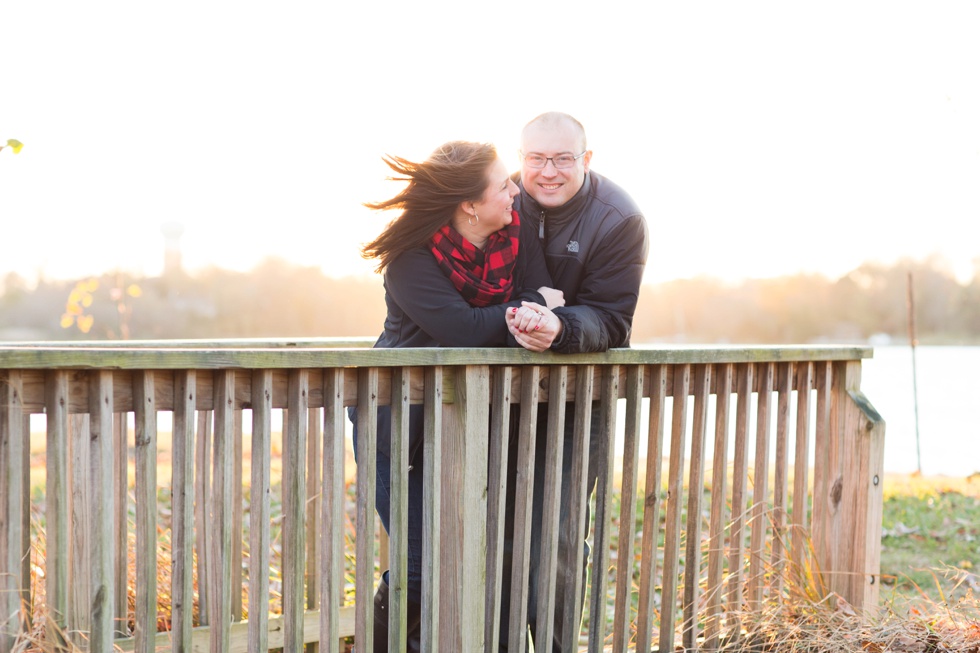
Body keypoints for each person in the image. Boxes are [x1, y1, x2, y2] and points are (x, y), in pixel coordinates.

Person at [353, 140, 564, 652]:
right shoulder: (410, 259)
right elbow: (459, 328)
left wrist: (526, 308)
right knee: (421, 567)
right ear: (470, 204)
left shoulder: (517, 235)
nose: (516, 190)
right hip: (401, 428)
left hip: (473, 424)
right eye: (503, 185)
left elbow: (544, 295)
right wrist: (520, 315)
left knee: (474, 561)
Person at [500, 112, 650, 651]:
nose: (549, 171)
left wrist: (560, 327)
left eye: (563, 158)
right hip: (497, 399)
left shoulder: (619, 219)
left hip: (578, 402)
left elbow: (614, 319)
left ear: (586, 160)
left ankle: (556, 645)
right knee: (497, 531)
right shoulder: (499, 199)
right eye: (537, 158)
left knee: (559, 538)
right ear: (521, 159)